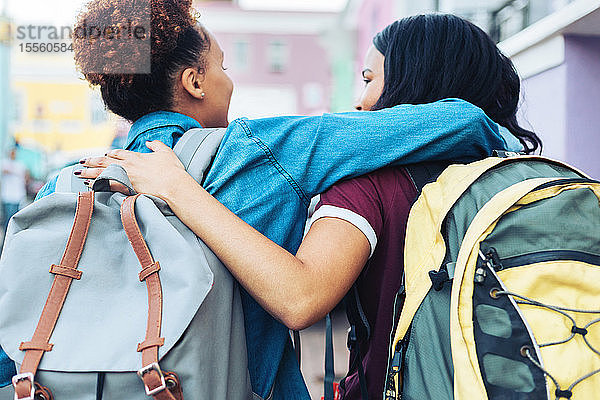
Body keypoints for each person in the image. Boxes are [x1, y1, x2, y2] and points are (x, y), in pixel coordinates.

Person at [0, 2, 513, 398]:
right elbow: (462, 120)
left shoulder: (67, 182)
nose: (230, 79)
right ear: (194, 81)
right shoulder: (260, 148)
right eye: (220, 65)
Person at [1, 149, 27, 235]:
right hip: (7, 196)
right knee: (7, 219)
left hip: (18, 196)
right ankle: (6, 236)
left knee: (15, 218)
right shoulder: (5, 162)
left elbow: (26, 175)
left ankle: (13, 235)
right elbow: (5, 171)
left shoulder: (20, 164)